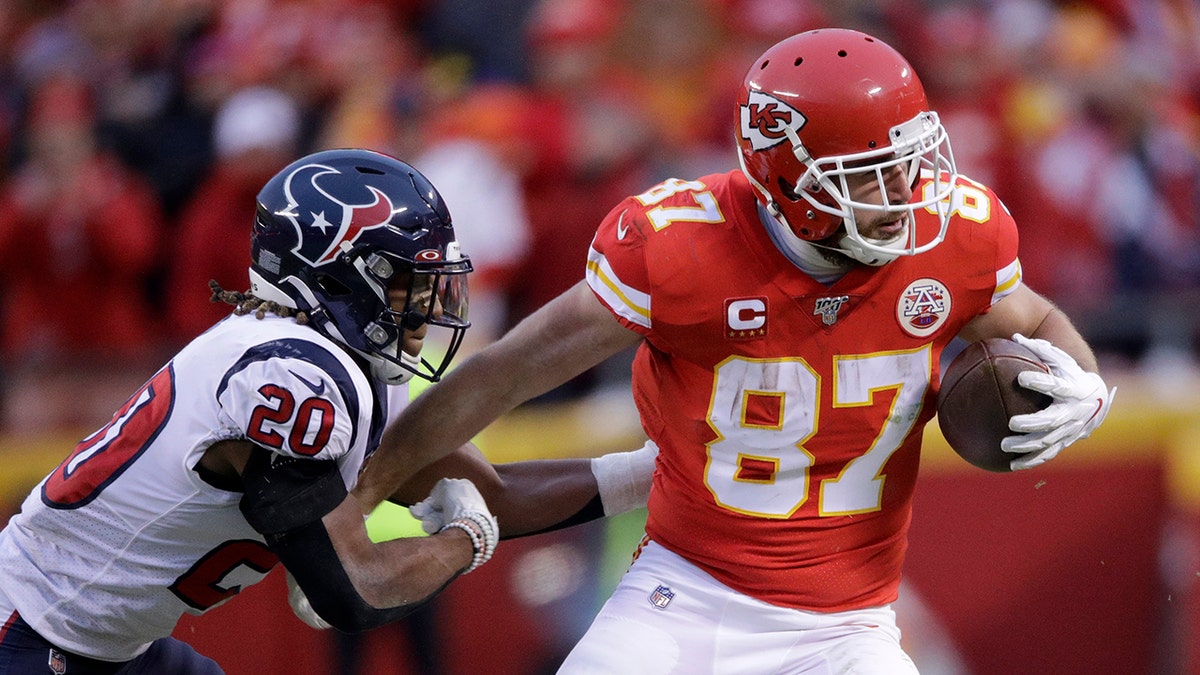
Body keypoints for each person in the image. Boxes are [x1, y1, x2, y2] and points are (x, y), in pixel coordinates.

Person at [352, 29, 1116, 674]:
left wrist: (1084, 379)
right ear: (790, 181)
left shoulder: (955, 233)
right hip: (683, 595)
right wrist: (360, 496)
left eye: (909, 162)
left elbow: (1038, 318)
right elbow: (505, 370)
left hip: (848, 626)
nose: (904, 195)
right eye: (869, 175)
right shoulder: (682, 249)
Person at [0, 148, 656, 674]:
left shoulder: (343, 363)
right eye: (408, 281)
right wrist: (464, 541)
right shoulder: (292, 378)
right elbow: (356, 589)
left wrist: (658, 472)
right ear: (337, 276)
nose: (429, 305)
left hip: (107, 641)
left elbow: (496, 494)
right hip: (32, 631)